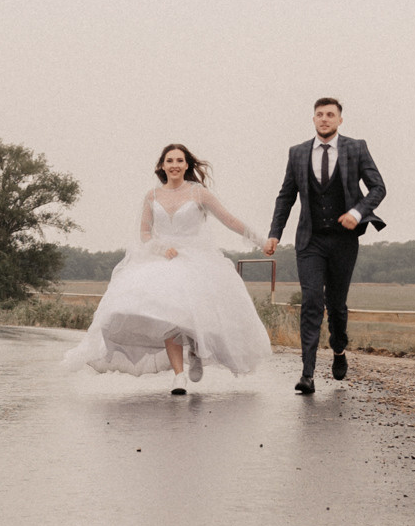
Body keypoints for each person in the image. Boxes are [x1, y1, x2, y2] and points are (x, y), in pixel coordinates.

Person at [64, 142, 273, 390]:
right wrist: (160, 248)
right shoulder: (152, 196)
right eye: (170, 161)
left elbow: (229, 219)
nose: (174, 165)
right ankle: (178, 375)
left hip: (197, 260)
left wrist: (262, 241)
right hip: (162, 259)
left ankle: (196, 350)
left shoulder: (198, 193)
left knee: (196, 311)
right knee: (167, 315)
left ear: (187, 165)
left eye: (179, 161)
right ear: (162, 166)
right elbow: (144, 232)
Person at [264, 96, 387, 396]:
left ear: (340, 120)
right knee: (311, 302)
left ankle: (339, 348)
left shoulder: (356, 148)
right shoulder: (297, 153)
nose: (324, 119)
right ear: (314, 119)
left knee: (336, 304)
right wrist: (274, 233)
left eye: (330, 115)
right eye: (319, 114)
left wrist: (357, 213)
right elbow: (286, 196)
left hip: (344, 240)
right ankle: (307, 373)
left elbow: (378, 187)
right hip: (311, 240)